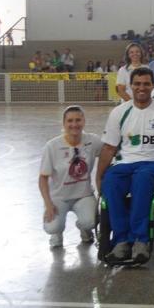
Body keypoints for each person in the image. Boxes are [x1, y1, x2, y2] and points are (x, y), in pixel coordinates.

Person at [97, 67, 154, 264]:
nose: (141, 88)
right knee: (110, 181)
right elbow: (109, 148)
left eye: (146, 84)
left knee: (142, 178)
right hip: (126, 163)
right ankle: (121, 241)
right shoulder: (119, 112)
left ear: (152, 85)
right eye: (137, 84)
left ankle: (140, 239)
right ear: (131, 86)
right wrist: (99, 176)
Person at [39, 106, 103, 248]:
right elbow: (43, 178)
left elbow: (108, 153)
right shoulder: (52, 146)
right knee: (52, 227)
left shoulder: (92, 141)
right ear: (64, 124)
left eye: (78, 120)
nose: (74, 124)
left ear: (84, 121)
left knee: (91, 221)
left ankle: (84, 228)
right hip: (59, 197)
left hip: (83, 195)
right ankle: (57, 233)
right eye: (70, 121)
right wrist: (48, 203)